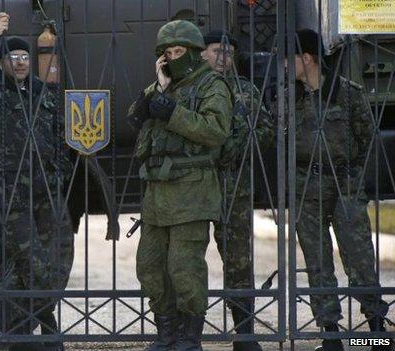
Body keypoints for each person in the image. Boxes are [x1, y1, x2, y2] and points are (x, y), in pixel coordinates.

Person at [0, 12, 74, 351]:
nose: (22, 62)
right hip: (11, 194)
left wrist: (60, 171)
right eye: (13, 57)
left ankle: (32, 324)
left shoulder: (44, 94)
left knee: (60, 257)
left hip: (48, 192)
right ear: (1, 64)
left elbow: (60, 137)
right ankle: (44, 326)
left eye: (26, 57)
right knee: (30, 260)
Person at [128, 20, 233, 351]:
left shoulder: (210, 85)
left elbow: (216, 130)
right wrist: (158, 89)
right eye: (167, 53)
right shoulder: (163, 84)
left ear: (195, 52)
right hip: (157, 195)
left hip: (191, 191)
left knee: (184, 270)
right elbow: (135, 117)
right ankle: (167, 334)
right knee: (150, 268)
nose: (173, 58)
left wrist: (174, 112)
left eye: (178, 52)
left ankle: (190, 338)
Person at [288, 29, 392, 351]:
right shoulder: (289, 98)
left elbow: (365, 138)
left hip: (344, 184)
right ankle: (330, 334)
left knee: (359, 256)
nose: (285, 67)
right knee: (318, 263)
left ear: (307, 58)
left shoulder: (348, 93)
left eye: (289, 59)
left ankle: (375, 329)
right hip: (307, 185)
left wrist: (353, 179)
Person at [200, 30, 275, 351]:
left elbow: (266, 129)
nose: (223, 57)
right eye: (217, 50)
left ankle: (244, 331)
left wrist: (235, 146)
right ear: (202, 53)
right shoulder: (192, 90)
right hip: (195, 188)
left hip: (236, 191)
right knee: (186, 261)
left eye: (229, 52)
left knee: (239, 262)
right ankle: (185, 332)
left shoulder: (246, 90)